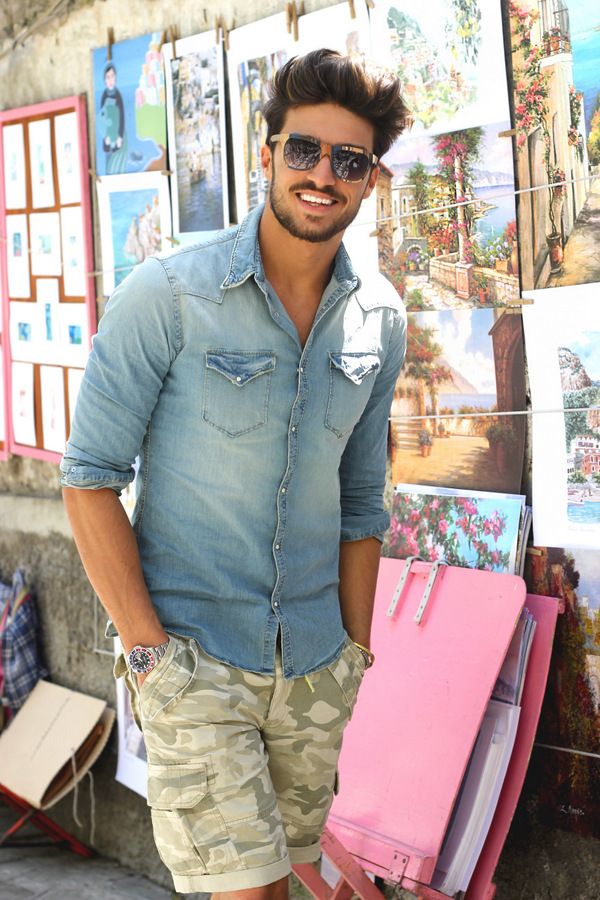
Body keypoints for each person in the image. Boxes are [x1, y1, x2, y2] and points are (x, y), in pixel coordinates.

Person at [61, 48, 409, 900]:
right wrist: (149, 655)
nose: (322, 175)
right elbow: (89, 478)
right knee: (249, 891)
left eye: (348, 160)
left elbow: (362, 504)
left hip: (316, 665)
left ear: (371, 180)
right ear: (266, 154)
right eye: (303, 150)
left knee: (285, 882)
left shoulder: (381, 321)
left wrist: (354, 657)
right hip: (195, 661)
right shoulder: (168, 295)